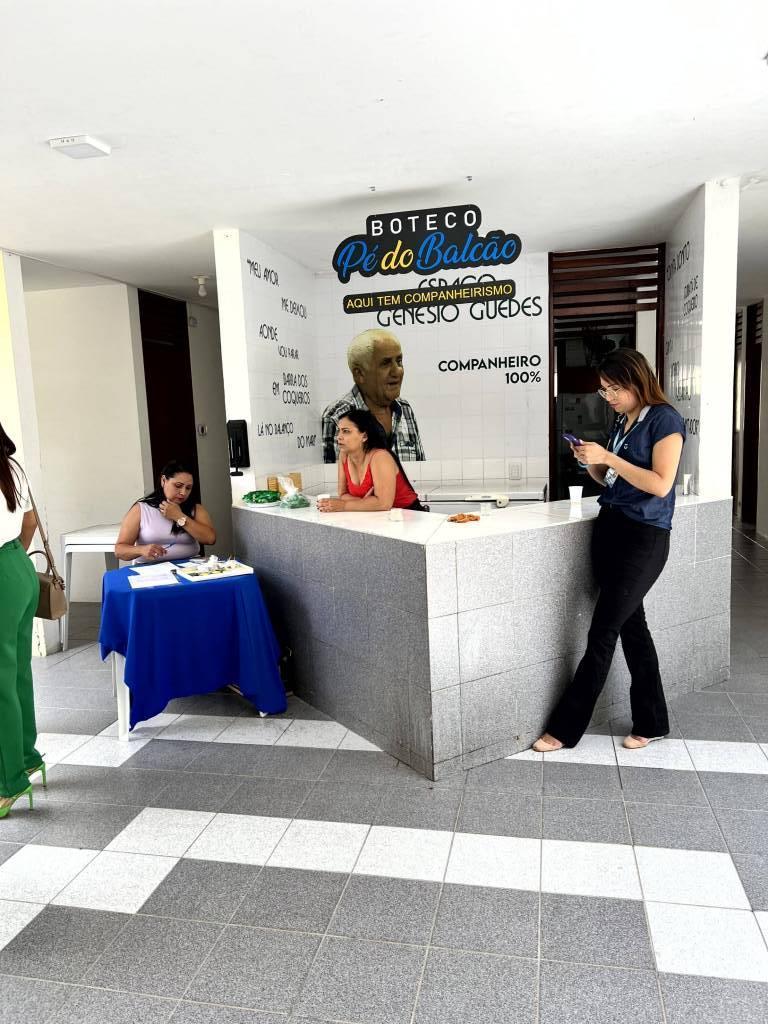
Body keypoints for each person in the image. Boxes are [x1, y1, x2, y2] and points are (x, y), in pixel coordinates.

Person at [533, 348, 686, 753]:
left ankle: (564, 728)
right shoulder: (623, 420)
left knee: (602, 632)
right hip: (611, 529)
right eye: (604, 390)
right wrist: (592, 462)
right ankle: (652, 721)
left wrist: (609, 455)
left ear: (637, 380)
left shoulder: (665, 420)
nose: (610, 397)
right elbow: (611, 481)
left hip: (644, 538)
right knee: (634, 630)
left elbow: (660, 484)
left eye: (615, 388)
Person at [0, 422, 42, 819]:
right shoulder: (12, 467)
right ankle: (27, 758)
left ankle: (7, 783)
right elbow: (29, 523)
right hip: (19, 567)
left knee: (1, 684)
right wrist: (13, 561)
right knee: (17, 674)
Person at [321, 328, 425, 464]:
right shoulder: (338, 416)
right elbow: (335, 476)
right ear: (359, 374)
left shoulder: (405, 409)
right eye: (385, 364)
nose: (397, 371)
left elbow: (421, 470)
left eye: (399, 361)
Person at [317, 409, 421, 513]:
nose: (338, 437)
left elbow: (384, 504)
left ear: (364, 436)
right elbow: (343, 494)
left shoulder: (380, 457)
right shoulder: (344, 455)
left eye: (346, 431)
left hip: (408, 514)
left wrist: (344, 505)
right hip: (378, 516)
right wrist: (367, 503)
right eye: (338, 431)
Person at [115, 459, 216, 563]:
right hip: (151, 568)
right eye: (178, 486)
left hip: (191, 567)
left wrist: (179, 516)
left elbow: (210, 539)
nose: (183, 492)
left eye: (188, 488)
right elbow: (119, 551)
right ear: (163, 480)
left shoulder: (196, 509)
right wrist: (141, 550)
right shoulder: (141, 509)